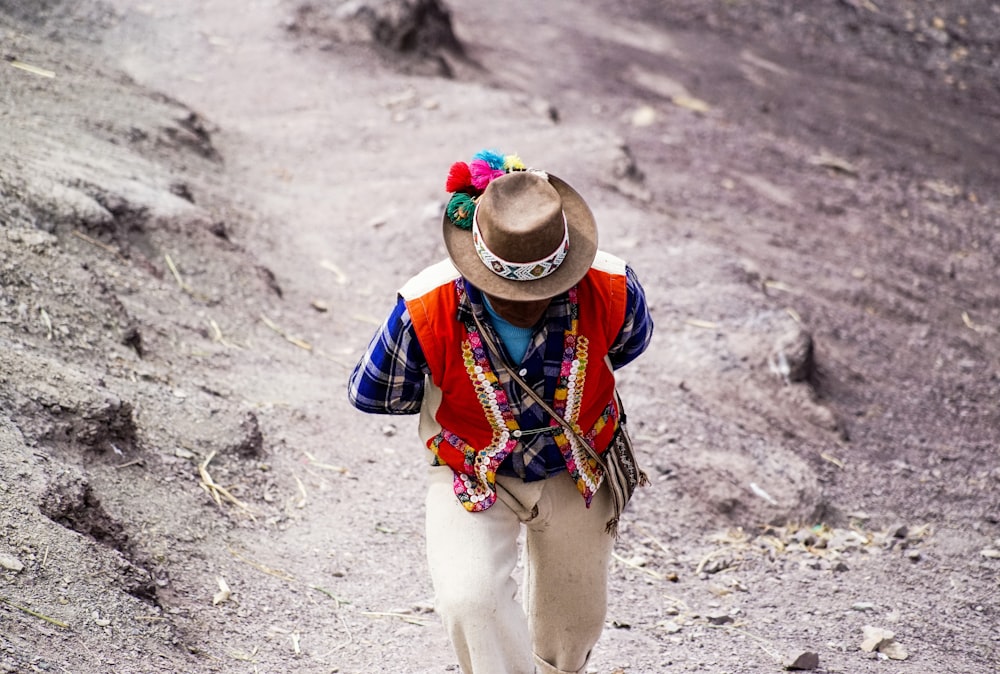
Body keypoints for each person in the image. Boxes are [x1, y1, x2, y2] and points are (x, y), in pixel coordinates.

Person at [348, 149, 654, 674]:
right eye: (507, 290)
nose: (524, 301)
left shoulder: (614, 287)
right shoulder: (425, 305)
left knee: (573, 627)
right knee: (470, 600)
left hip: (578, 466)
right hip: (471, 468)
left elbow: (626, 345)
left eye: (538, 290)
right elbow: (372, 390)